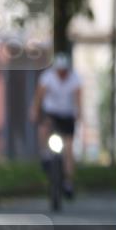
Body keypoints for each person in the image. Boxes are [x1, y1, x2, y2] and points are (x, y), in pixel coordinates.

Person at [31, 52, 82, 198]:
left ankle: (68, 182)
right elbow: (39, 96)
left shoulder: (75, 79)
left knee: (69, 148)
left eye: (64, 71)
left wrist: (79, 113)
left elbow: (78, 97)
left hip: (67, 115)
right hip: (51, 114)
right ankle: (45, 155)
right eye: (59, 71)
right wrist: (34, 110)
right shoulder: (48, 77)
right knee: (43, 130)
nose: (62, 74)